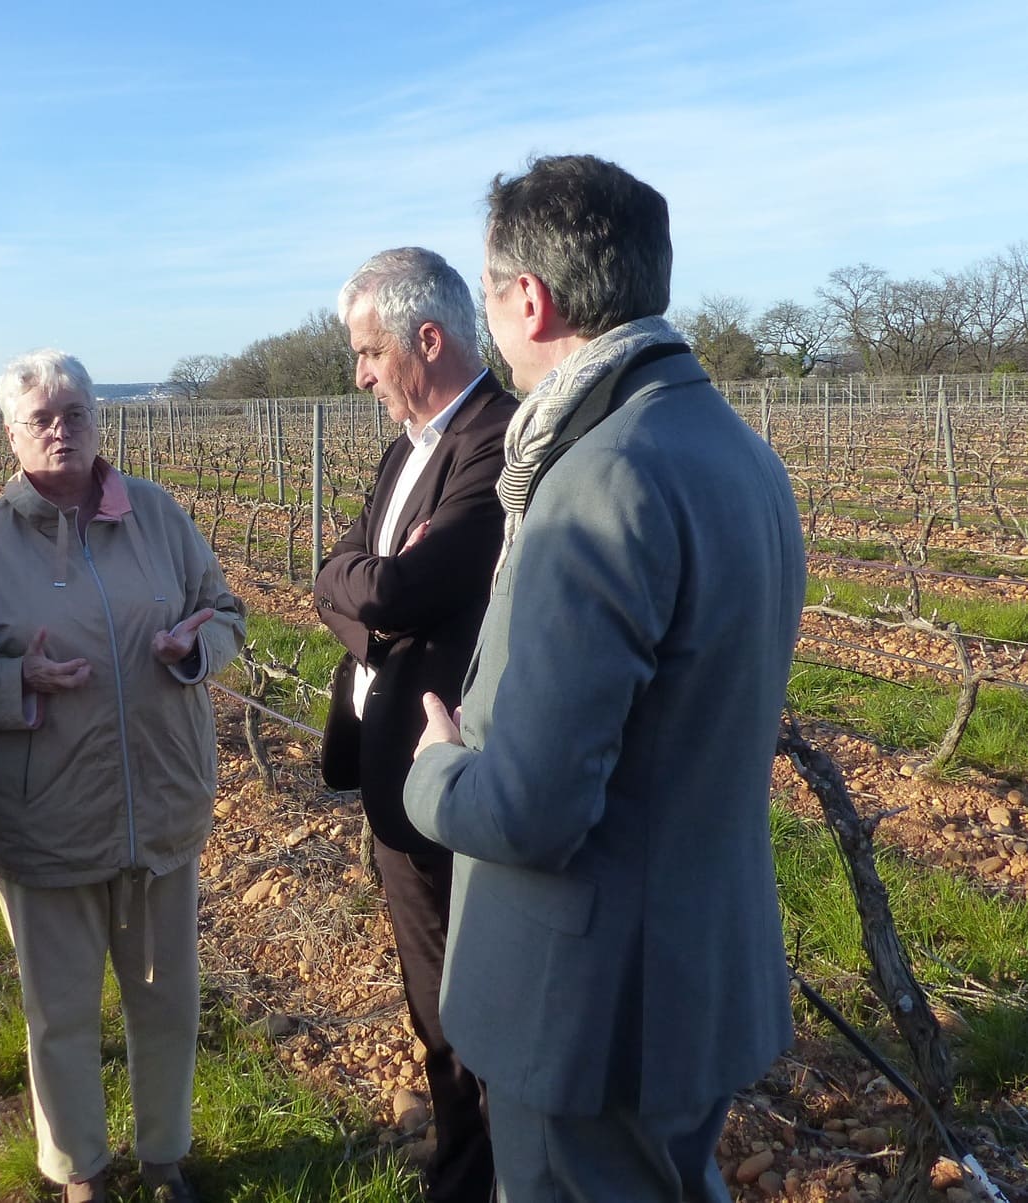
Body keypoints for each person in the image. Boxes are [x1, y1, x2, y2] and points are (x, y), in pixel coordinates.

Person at [404, 154, 807, 1203]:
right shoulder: (738, 453)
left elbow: (535, 809)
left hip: (587, 1003)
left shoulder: (600, 479)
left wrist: (433, 772)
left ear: (528, 299)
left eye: (490, 295)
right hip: (692, 973)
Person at [0, 349, 244, 1203]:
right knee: (59, 1015)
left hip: (162, 806)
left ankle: (165, 1157)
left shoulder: (159, 516)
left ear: (100, 419)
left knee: (167, 1002)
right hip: (46, 816)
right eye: (41, 418)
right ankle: (80, 1172)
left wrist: (195, 647)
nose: (62, 430)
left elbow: (227, 610)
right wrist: (13, 677)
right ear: (11, 434)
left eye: (76, 413)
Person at [314, 247, 517, 1200]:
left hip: (451, 766)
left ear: (424, 339)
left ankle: (475, 1175)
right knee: (428, 987)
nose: (358, 375)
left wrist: (368, 589)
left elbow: (400, 584)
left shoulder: (496, 439)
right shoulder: (408, 444)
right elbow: (349, 572)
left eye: (366, 353)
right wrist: (364, 590)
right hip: (392, 761)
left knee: (464, 993)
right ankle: (464, 1152)